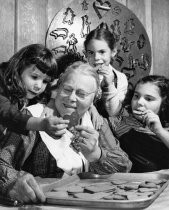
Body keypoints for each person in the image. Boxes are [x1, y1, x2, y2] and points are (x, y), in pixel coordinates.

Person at [0, 61, 132, 203]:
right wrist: (13, 183)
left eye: (81, 94)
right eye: (67, 90)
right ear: (58, 88)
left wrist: (97, 154)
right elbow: (2, 161)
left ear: (93, 99)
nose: (71, 98)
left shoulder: (97, 123)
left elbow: (124, 165)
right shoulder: (34, 117)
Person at [0, 44, 69, 139]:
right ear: (18, 69)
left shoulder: (24, 87)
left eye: (45, 81)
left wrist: (52, 103)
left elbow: (55, 86)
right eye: (34, 77)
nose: (39, 86)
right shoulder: (2, 86)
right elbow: (8, 115)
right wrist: (42, 124)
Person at [109, 75, 169, 172]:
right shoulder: (121, 123)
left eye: (149, 99)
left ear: (164, 103)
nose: (139, 102)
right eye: (136, 96)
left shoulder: (165, 129)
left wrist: (159, 131)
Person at [84, 22, 128, 117]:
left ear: (113, 52)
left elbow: (114, 113)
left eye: (102, 52)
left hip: (109, 127)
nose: (96, 57)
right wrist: (91, 108)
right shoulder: (79, 73)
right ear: (86, 54)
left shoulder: (120, 78)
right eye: (91, 52)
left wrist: (109, 85)